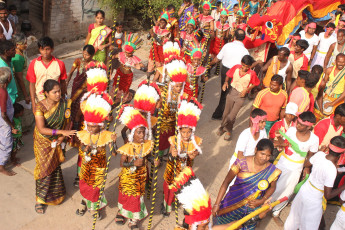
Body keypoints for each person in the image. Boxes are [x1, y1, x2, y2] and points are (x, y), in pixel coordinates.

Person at [212, 139, 281, 228]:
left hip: (252, 207)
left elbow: (272, 187)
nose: (264, 158)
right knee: (223, 226)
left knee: (246, 225)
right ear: (256, 150)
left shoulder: (272, 171)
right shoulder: (241, 162)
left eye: (268, 156)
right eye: (262, 154)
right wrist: (217, 204)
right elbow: (226, 182)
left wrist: (262, 200)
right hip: (232, 203)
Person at [33, 80, 76, 214]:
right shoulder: (40, 107)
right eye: (54, 92)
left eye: (59, 91)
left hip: (57, 141)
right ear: (46, 93)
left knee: (55, 166)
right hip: (43, 141)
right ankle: (40, 199)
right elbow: (41, 129)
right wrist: (61, 132)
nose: (58, 94)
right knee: (43, 168)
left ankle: (56, 195)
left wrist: (62, 137)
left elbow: (69, 123)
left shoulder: (64, 104)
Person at [285, 136, 345, 230]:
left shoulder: (320, 155)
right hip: (314, 199)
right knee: (309, 225)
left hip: (305, 189)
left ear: (329, 147)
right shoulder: (332, 170)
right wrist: (343, 187)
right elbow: (328, 195)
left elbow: (306, 164)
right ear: (342, 153)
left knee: (295, 217)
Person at [75, 92, 116, 219]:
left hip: (99, 167)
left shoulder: (106, 135)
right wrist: (86, 148)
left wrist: (113, 142)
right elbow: (81, 146)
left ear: (100, 126)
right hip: (87, 166)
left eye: (94, 127)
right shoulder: (84, 133)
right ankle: (84, 202)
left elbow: (114, 153)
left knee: (95, 188)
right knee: (84, 185)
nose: (91, 129)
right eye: (89, 126)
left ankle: (93, 209)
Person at [271, 111, 319, 218]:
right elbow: (284, 143)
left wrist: (306, 168)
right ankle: (264, 207)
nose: (298, 125)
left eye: (301, 125)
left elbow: (311, 156)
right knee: (274, 186)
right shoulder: (292, 130)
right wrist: (279, 139)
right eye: (298, 122)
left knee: (288, 190)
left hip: (297, 167)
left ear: (308, 127)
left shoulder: (314, 139)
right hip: (283, 162)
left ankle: (276, 211)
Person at [161, 95, 203, 216]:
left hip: (185, 170)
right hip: (171, 170)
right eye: (183, 132)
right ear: (179, 131)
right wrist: (172, 156)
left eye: (188, 132)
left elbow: (196, 153)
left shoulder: (195, 141)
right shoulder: (174, 140)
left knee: (182, 187)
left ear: (192, 131)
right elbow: (169, 156)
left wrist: (194, 155)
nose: (186, 135)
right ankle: (166, 205)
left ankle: (177, 201)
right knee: (169, 188)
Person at [115, 105, 154, 229]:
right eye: (139, 132)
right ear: (133, 134)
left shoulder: (147, 145)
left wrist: (154, 161)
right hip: (127, 179)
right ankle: (121, 212)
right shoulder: (127, 147)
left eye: (143, 132)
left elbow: (150, 157)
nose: (142, 135)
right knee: (125, 196)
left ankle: (133, 220)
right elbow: (122, 163)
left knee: (136, 198)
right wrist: (133, 163)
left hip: (140, 179)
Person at [217, 55, 260, 141]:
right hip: (232, 92)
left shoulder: (252, 74)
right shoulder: (236, 68)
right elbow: (228, 74)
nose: (244, 68)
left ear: (250, 66)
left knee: (232, 116)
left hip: (241, 96)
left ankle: (229, 130)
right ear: (241, 63)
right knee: (226, 113)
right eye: (243, 65)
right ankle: (222, 126)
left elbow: (256, 83)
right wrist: (225, 82)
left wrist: (247, 89)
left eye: (247, 66)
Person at [209, 29, 249, 120]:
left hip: (225, 71)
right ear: (243, 39)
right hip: (237, 73)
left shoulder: (227, 46)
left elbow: (217, 58)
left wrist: (209, 65)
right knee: (232, 94)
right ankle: (226, 115)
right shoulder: (245, 51)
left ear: (234, 37)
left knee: (224, 93)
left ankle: (218, 114)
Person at [26, 37, 67, 113]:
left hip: (55, 100)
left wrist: (63, 97)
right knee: (41, 123)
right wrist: (33, 104)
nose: (45, 52)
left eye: (47, 49)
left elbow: (63, 82)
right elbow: (32, 84)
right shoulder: (34, 64)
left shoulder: (59, 64)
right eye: (42, 49)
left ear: (52, 49)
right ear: (39, 49)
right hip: (40, 100)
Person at [158, 56, 188, 157]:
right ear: (172, 84)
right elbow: (158, 105)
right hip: (164, 121)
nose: (179, 88)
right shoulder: (164, 93)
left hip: (175, 121)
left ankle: (169, 151)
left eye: (180, 86)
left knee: (172, 137)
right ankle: (160, 154)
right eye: (177, 86)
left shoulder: (183, 96)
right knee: (162, 138)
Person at [67, 45, 95, 148]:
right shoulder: (78, 61)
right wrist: (66, 85)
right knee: (73, 111)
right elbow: (70, 74)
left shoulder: (95, 64)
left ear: (92, 55)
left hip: (87, 91)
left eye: (87, 55)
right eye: (83, 53)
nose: (84, 56)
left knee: (82, 112)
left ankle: (80, 137)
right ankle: (72, 138)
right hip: (76, 89)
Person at [111, 32, 146, 105]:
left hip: (127, 77)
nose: (127, 54)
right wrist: (110, 54)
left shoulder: (134, 58)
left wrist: (141, 68)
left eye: (129, 53)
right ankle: (115, 98)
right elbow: (113, 56)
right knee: (116, 86)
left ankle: (122, 99)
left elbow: (142, 65)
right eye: (126, 52)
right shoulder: (121, 55)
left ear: (132, 52)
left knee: (124, 88)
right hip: (119, 73)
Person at [121, 79, 161, 143]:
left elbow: (154, 133)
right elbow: (123, 131)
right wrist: (126, 140)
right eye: (142, 113)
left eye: (145, 114)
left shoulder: (151, 120)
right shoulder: (133, 119)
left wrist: (155, 136)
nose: (143, 116)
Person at [0, 67, 16, 176]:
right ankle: (2, 166)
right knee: (6, 143)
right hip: (4, 121)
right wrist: (12, 126)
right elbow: (3, 114)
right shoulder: (3, 93)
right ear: (8, 79)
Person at [12, 33, 30, 105]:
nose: (26, 45)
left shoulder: (22, 52)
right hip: (22, 89)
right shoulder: (18, 58)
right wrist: (25, 95)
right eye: (24, 44)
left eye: (26, 43)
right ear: (17, 45)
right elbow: (19, 78)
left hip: (26, 84)